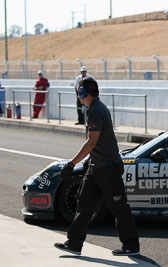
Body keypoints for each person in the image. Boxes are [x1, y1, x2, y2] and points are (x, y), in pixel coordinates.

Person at [54, 77, 140, 256]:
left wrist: (72, 164)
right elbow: (98, 143)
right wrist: (88, 161)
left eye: (79, 90)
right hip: (96, 166)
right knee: (84, 204)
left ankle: (131, 246)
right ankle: (74, 243)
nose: (78, 94)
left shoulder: (96, 110)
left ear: (83, 93)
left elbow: (92, 141)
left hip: (108, 168)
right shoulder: (94, 108)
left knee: (119, 207)